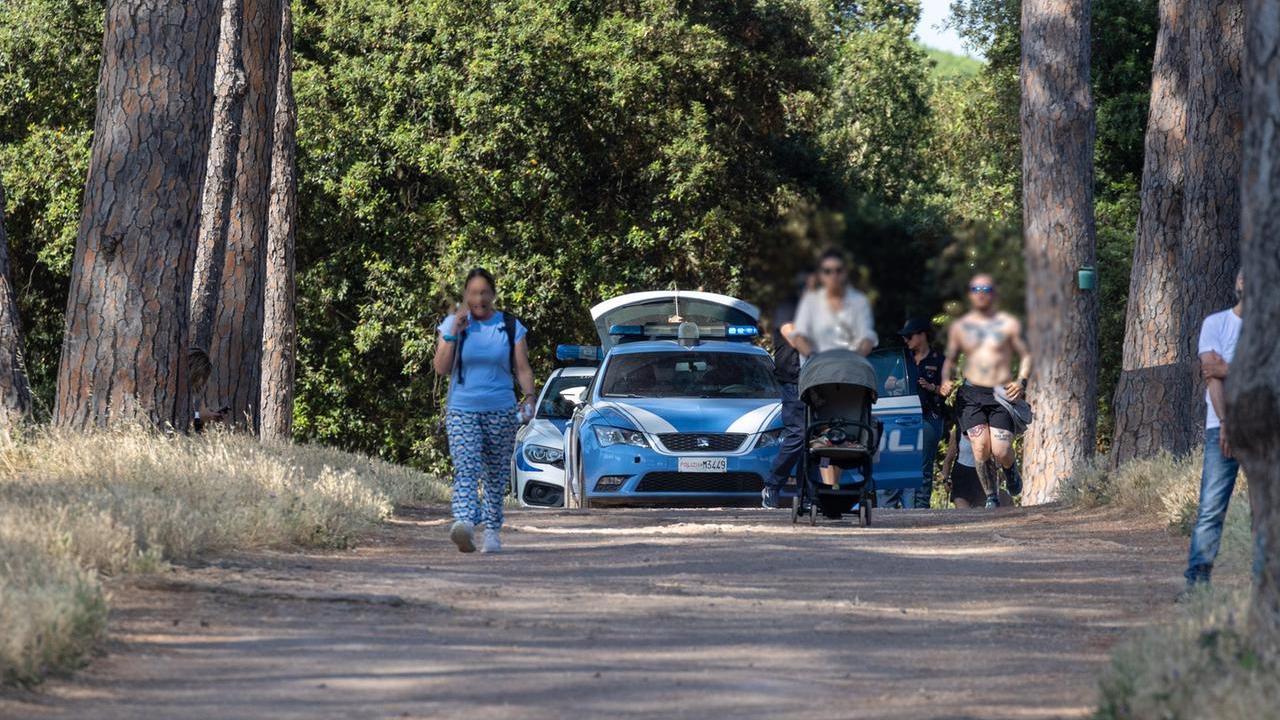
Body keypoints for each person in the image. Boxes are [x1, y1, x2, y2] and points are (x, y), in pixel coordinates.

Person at [433, 268, 537, 554]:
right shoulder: (452, 324)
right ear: (465, 295)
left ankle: (492, 530)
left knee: (495, 473)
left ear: (492, 294)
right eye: (473, 293)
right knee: (466, 469)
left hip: (501, 410)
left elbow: (523, 368)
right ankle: (464, 524)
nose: (479, 298)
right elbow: (441, 368)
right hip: (462, 410)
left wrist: (530, 397)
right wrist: (454, 331)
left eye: (484, 292)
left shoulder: (510, 325)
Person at [939, 274, 1031, 509]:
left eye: (986, 288)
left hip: (999, 393)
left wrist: (1021, 382)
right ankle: (991, 496)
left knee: (1000, 451)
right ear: (971, 294)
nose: (981, 292)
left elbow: (1026, 355)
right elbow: (949, 360)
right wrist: (946, 381)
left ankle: (1010, 470)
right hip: (970, 395)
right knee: (980, 447)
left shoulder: (1007, 324)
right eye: (976, 288)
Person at [791, 250, 878, 490]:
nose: (834, 276)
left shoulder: (857, 302)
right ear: (822, 275)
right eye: (828, 271)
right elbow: (799, 335)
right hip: (819, 376)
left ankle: (836, 488)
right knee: (820, 430)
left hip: (850, 376)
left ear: (845, 274)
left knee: (850, 424)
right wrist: (815, 357)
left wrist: (854, 359)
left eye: (838, 271)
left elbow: (867, 337)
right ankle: (830, 489)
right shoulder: (811, 302)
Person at [1182, 271, 1245, 595]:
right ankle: (1197, 584)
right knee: (1211, 507)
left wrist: (1231, 368)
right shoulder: (1216, 323)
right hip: (1220, 426)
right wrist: (1226, 422)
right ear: (1238, 284)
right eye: (1245, 278)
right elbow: (1212, 375)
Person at [762, 275, 808, 509]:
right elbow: (792, 335)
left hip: (818, 383)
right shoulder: (788, 308)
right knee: (798, 435)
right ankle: (772, 485)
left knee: (814, 440)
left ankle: (806, 495)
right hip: (794, 382)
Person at [897, 318, 945, 508]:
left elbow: (948, 389)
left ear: (922, 335)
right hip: (903, 417)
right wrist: (893, 383)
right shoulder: (903, 359)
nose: (906, 341)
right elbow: (889, 382)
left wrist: (932, 387)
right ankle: (905, 508)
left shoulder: (939, 360)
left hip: (928, 416)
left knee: (924, 466)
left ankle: (921, 509)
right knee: (903, 464)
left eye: (909, 336)